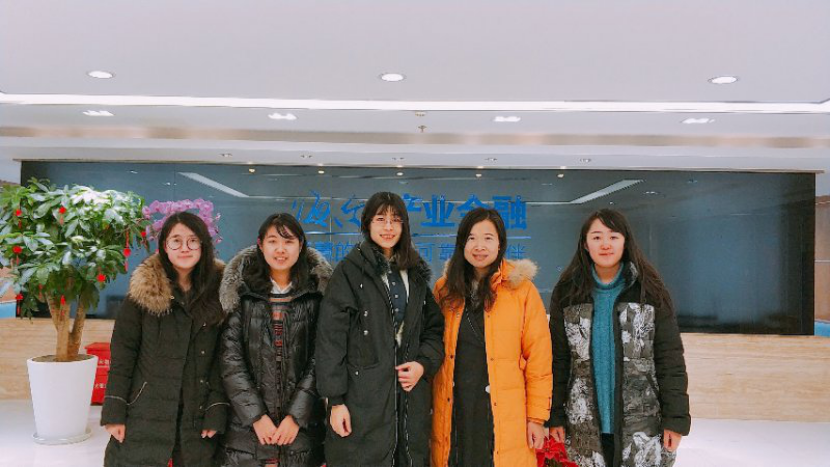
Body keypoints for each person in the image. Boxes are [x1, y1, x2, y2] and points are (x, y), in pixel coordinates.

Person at [548, 209, 691, 467]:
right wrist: (554, 416)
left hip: (642, 424)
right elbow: (557, 360)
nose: (605, 244)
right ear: (585, 244)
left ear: (625, 242)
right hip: (581, 425)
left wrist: (675, 419)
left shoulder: (650, 290)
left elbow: (670, 360)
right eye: (597, 237)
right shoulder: (568, 293)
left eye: (613, 237)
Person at [316, 191, 444, 466]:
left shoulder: (415, 274)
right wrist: (335, 401)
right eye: (380, 219)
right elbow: (330, 339)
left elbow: (434, 330)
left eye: (395, 220)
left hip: (409, 401)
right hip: (362, 402)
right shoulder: (349, 272)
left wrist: (423, 364)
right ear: (367, 224)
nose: (388, 227)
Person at [101, 212, 228, 467]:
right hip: (145, 407)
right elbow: (123, 355)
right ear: (164, 246)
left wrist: (217, 408)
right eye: (176, 241)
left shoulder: (221, 293)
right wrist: (114, 410)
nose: (185, 248)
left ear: (204, 245)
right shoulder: (143, 294)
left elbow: (224, 358)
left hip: (198, 408)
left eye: (193, 240)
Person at [431, 207, 553, 467]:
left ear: (500, 244)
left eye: (488, 238)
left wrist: (536, 417)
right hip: (456, 407)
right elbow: (431, 346)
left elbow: (539, 359)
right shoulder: (444, 290)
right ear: (462, 243)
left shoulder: (522, 291)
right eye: (472, 238)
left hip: (504, 412)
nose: (479, 246)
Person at [217, 213, 331, 467]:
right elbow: (230, 360)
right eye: (272, 241)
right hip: (247, 432)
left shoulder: (316, 297)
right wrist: (256, 416)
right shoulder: (242, 295)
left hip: (302, 432)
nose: (280, 249)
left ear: (300, 245)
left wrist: (296, 416)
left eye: (288, 241)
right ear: (260, 245)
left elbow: (321, 359)